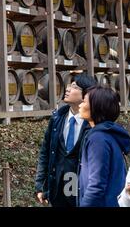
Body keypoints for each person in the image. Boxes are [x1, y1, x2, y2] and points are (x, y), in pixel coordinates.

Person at [35, 73, 97, 207]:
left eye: (74, 87)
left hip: (81, 187)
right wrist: (40, 186)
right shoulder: (57, 119)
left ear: (86, 95)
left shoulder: (93, 124)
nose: (68, 89)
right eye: (69, 85)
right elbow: (45, 152)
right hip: (57, 186)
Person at [78, 86, 130, 207]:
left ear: (97, 106)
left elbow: (96, 185)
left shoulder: (98, 139)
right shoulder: (109, 133)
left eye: (84, 101)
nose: (80, 105)